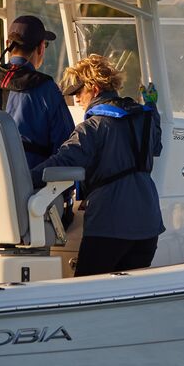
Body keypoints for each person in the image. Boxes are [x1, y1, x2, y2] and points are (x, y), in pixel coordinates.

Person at [43, 53, 165, 276]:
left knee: (86, 292)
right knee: (128, 297)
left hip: (109, 224)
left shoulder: (92, 126)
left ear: (94, 88)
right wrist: (152, 106)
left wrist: (19, 178)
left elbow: (61, 162)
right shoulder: (145, 116)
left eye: (78, 92)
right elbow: (155, 147)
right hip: (148, 225)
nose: (76, 99)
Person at [0, 14, 74, 170]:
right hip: (22, 191)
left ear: (8, 44)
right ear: (41, 48)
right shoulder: (48, 91)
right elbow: (67, 147)